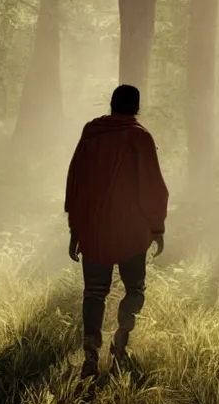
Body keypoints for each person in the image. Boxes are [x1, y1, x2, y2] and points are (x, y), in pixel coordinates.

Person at [64, 84, 169, 379]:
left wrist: (76, 228)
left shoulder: (92, 134)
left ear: (111, 104)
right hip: (131, 231)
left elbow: (76, 182)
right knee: (135, 289)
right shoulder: (140, 137)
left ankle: (90, 353)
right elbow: (152, 186)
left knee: (94, 293)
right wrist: (157, 226)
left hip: (95, 230)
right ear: (137, 107)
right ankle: (121, 338)